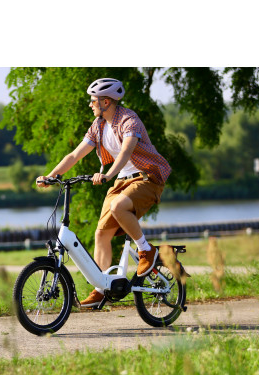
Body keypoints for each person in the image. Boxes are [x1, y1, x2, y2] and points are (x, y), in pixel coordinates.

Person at [37, 77, 172, 308]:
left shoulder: (129, 120)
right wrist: (51, 175)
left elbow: (126, 151)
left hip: (147, 177)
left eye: (93, 100)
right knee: (101, 234)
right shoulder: (98, 126)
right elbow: (75, 154)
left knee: (118, 206)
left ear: (106, 102)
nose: (90, 104)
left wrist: (107, 175)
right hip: (121, 182)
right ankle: (101, 288)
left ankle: (146, 250)